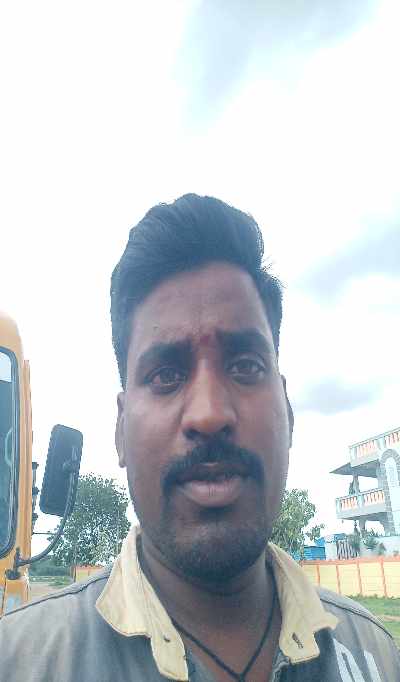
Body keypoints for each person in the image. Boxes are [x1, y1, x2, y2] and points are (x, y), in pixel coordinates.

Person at [0, 195, 399, 681]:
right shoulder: (19, 662)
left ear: (289, 412)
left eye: (245, 366)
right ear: (121, 431)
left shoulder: (376, 657)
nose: (209, 414)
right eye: (166, 375)